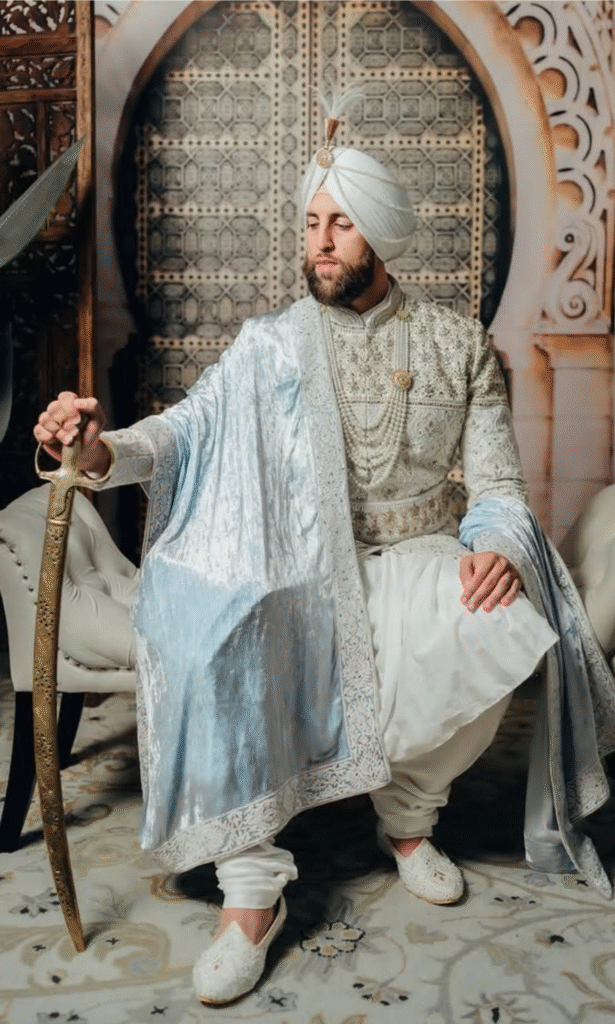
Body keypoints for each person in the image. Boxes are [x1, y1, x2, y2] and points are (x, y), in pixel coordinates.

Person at [34, 138, 615, 1007]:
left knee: (501, 619)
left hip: (418, 549)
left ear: (379, 233)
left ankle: (409, 821)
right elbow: (182, 431)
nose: (321, 241)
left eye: (340, 224)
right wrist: (99, 450)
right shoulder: (270, 345)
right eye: (311, 224)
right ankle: (251, 891)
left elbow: (494, 480)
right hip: (298, 562)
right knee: (213, 622)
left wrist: (494, 543)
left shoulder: (457, 344)